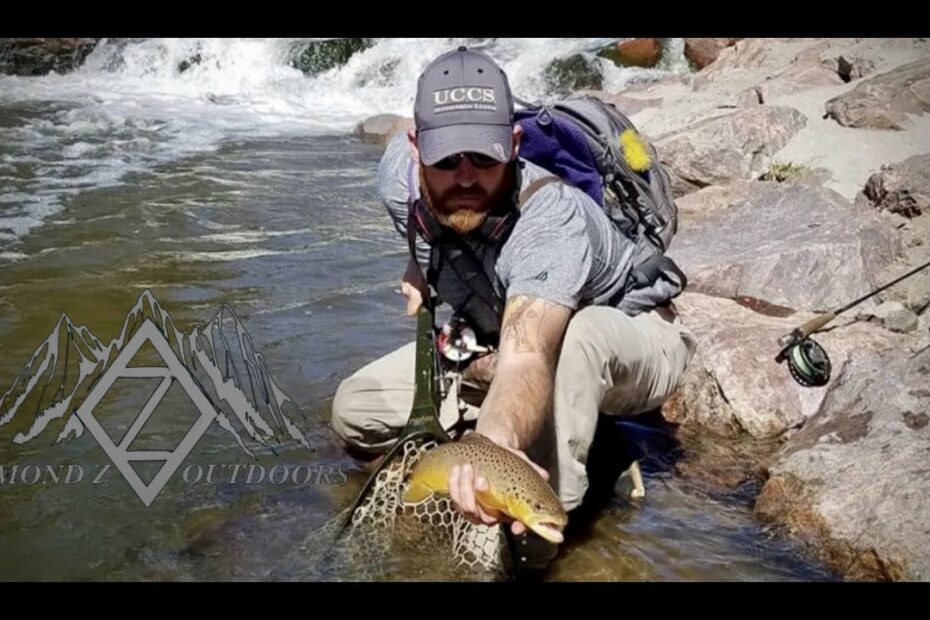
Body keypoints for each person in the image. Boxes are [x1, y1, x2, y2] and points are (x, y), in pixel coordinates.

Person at [331, 46, 696, 568]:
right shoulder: (398, 184)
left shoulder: (550, 219)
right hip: (504, 336)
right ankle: (569, 437)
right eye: (446, 159)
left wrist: (492, 452)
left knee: (573, 342)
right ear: (416, 151)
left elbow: (527, 356)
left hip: (630, 335)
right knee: (355, 413)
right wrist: (421, 266)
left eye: (484, 157)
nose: (464, 177)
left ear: (515, 144)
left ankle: (569, 492)